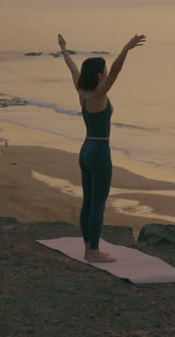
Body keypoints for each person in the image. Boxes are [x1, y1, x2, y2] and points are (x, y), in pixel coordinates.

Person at [58, 32, 146, 263]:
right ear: (99, 75)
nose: (107, 73)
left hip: (85, 149)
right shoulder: (98, 94)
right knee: (98, 205)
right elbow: (116, 71)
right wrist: (126, 49)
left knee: (88, 202)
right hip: (99, 152)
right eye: (104, 71)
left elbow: (72, 68)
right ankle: (93, 252)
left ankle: (89, 248)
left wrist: (64, 50)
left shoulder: (82, 92)